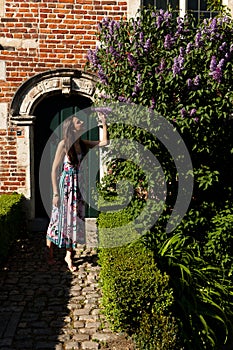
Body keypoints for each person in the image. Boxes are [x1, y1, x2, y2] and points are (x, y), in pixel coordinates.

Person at [45, 113, 108, 272]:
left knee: (75, 221)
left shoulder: (82, 143)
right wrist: (55, 193)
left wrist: (104, 124)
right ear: (72, 127)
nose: (82, 123)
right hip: (65, 187)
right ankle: (49, 252)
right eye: (79, 122)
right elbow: (53, 170)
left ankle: (69, 256)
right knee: (58, 220)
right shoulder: (63, 145)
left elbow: (104, 142)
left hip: (78, 187)